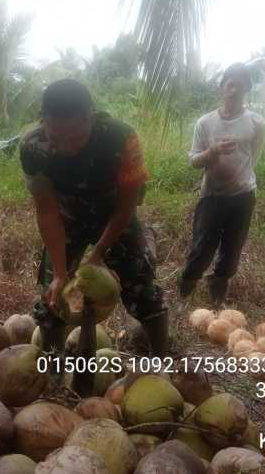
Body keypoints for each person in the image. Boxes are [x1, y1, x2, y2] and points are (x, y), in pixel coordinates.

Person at [20, 78, 168, 358]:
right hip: (67, 219)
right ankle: (52, 370)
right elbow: (47, 211)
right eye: (56, 139)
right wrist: (61, 274)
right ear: (43, 122)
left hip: (114, 215)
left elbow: (128, 205)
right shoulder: (32, 147)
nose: (66, 147)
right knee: (52, 301)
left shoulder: (122, 138)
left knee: (144, 292)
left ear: (90, 117)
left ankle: (163, 359)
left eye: (75, 138)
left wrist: (99, 250)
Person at [177, 62, 265, 306]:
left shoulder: (256, 123)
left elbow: (253, 158)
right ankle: (185, 288)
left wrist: (240, 177)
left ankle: (217, 298)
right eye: (230, 85)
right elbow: (194, 161)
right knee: (201, 249)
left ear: (248, 88)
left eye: (240, 86)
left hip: (243, 195)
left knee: (232, 252)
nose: (234, 91)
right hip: (212, 195)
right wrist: (212, 152)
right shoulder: (205, 123)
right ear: (222, 87)